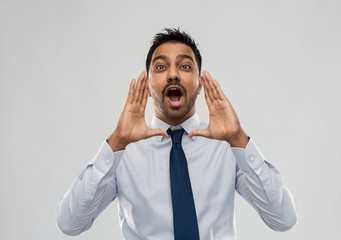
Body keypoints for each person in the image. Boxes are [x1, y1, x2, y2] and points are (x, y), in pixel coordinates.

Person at [56, 28, 298, 239]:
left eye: (184, 66)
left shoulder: (227, 147)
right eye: (161, 67)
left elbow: (283, 219)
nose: (173, 74)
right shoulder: (122, 153)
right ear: (148, 84)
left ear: (200, 83)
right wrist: (117, 142)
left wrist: (237, 139)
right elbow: (70, 224)